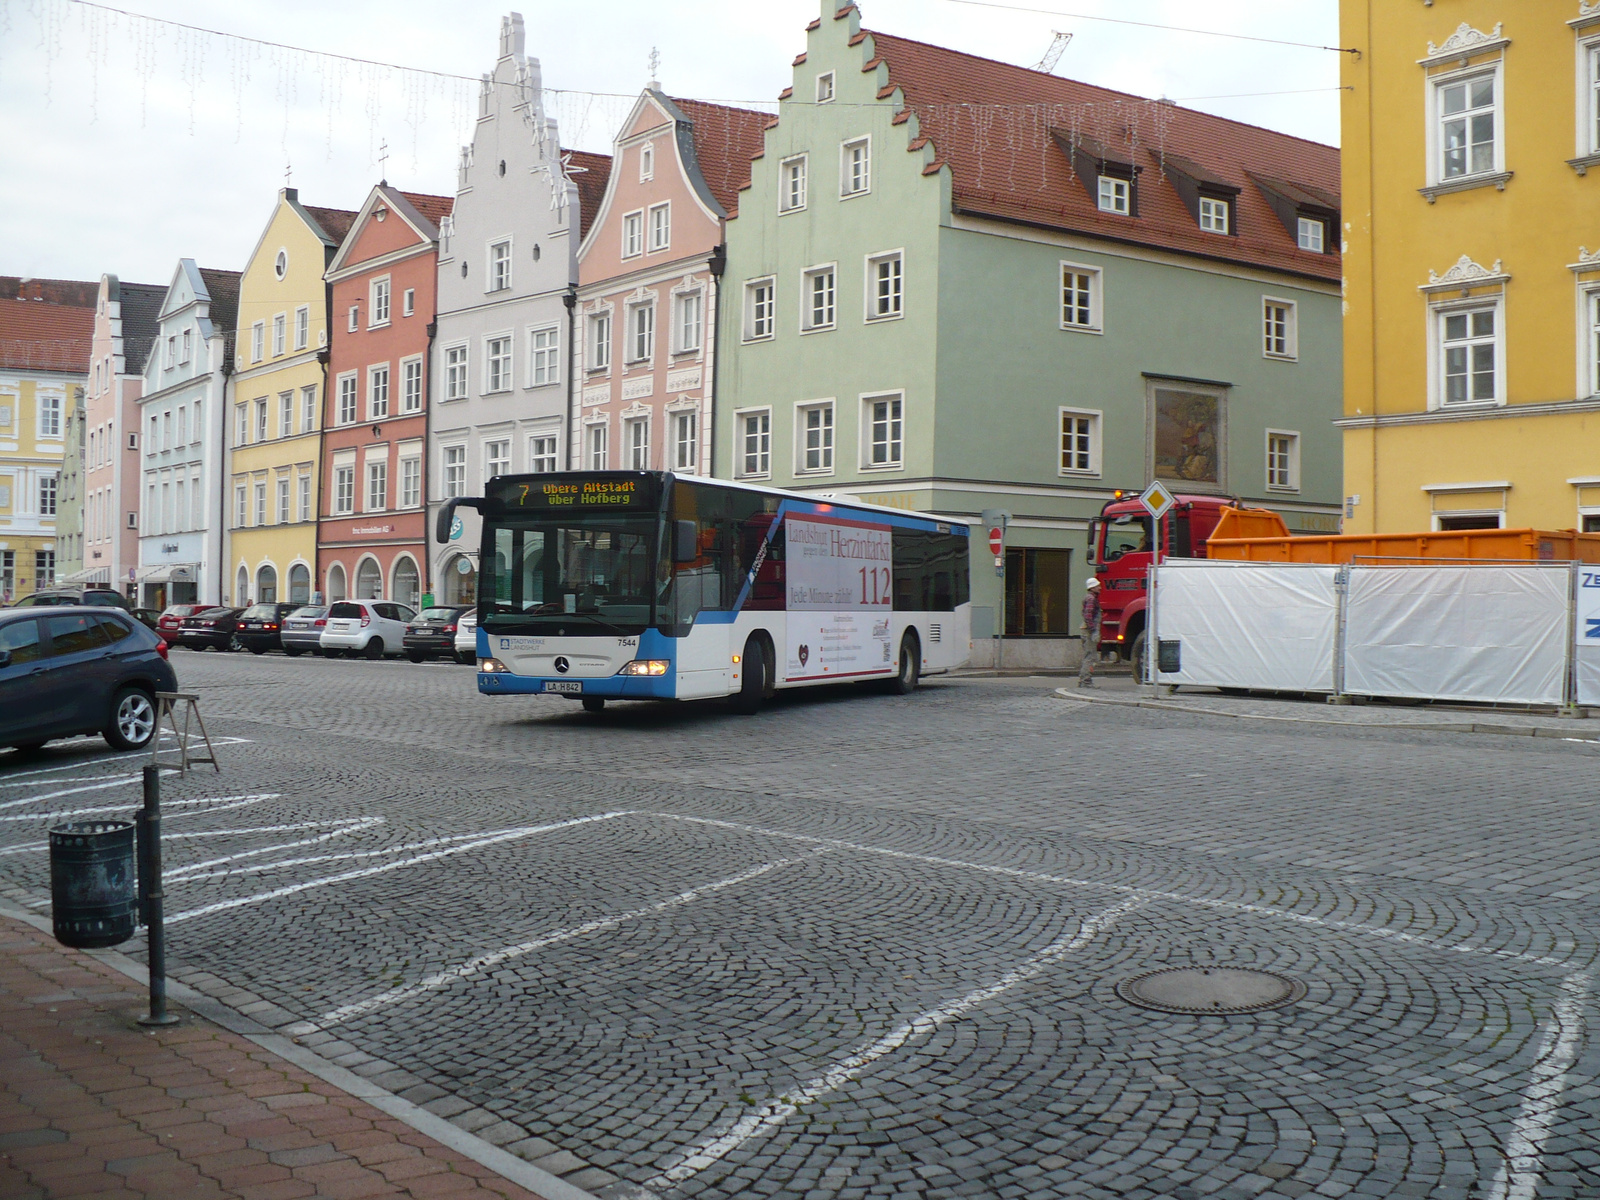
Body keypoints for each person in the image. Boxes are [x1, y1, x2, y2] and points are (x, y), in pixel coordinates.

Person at [1079, 577, 1103, 688]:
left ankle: (1083, 680)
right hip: (1088, 632)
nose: (1100, 588)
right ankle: (1086, 681)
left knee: (1087, 656)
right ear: (1092, 588)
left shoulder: (1089, 598)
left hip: (1086, 630)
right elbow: (1088, 616)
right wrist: (1093, 630)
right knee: (1090, 657)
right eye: (1098, 586)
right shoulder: (1091, 599)